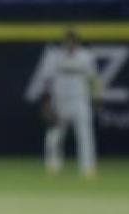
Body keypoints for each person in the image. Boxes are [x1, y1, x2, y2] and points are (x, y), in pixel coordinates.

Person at [27, 28, 99, 177]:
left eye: (73, 41)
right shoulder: (54, 56)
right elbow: (46, 79)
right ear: (64, 42)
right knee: (55, 135)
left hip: (80, 100)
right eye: (67, 41)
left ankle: (88, 168)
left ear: (77, 43)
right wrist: (46, 102)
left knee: (85, 136)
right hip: (59, 101)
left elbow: (93, 80)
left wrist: (96, 98)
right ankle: (53, 165)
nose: (70, 44)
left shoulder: (85, 56)